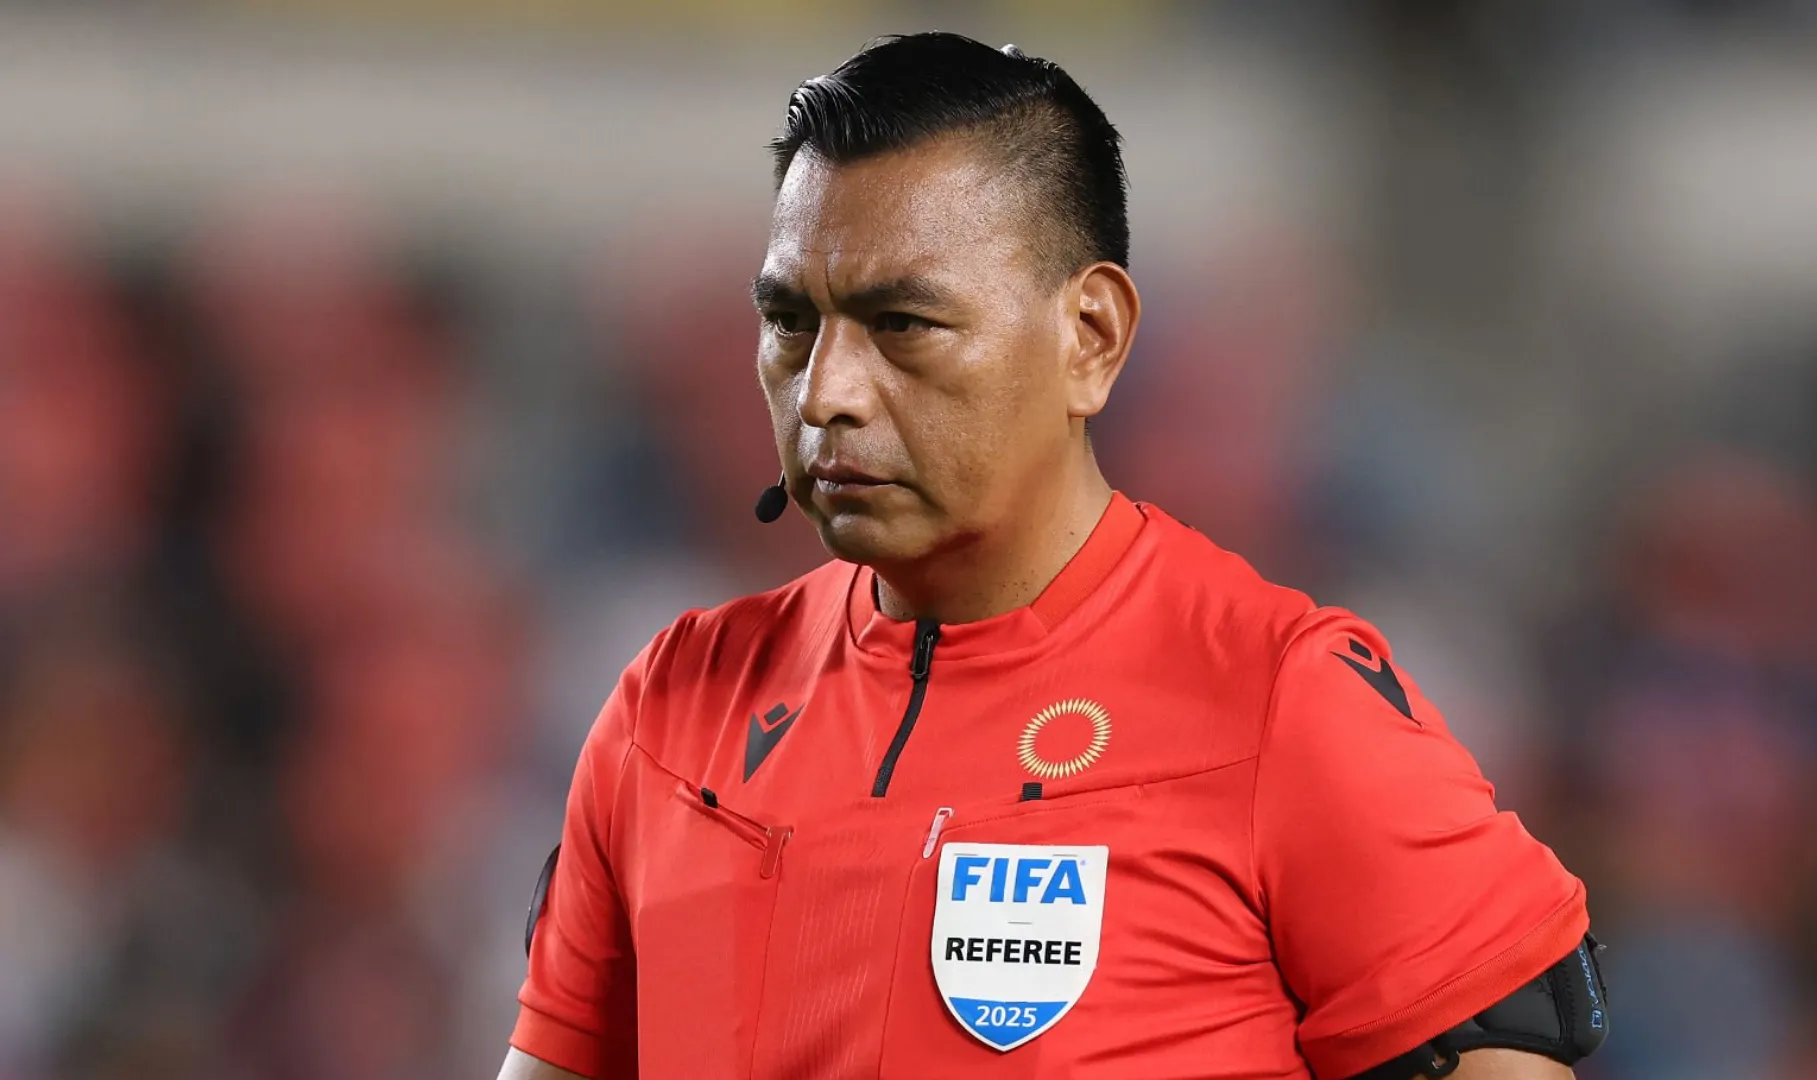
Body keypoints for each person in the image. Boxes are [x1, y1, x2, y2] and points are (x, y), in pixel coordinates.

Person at [499, 32, 1607, 1080]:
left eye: (903, 324)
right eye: (792, 321)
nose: (827, 393)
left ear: (1092, 337)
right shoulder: (669, 715)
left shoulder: (1285, 703)